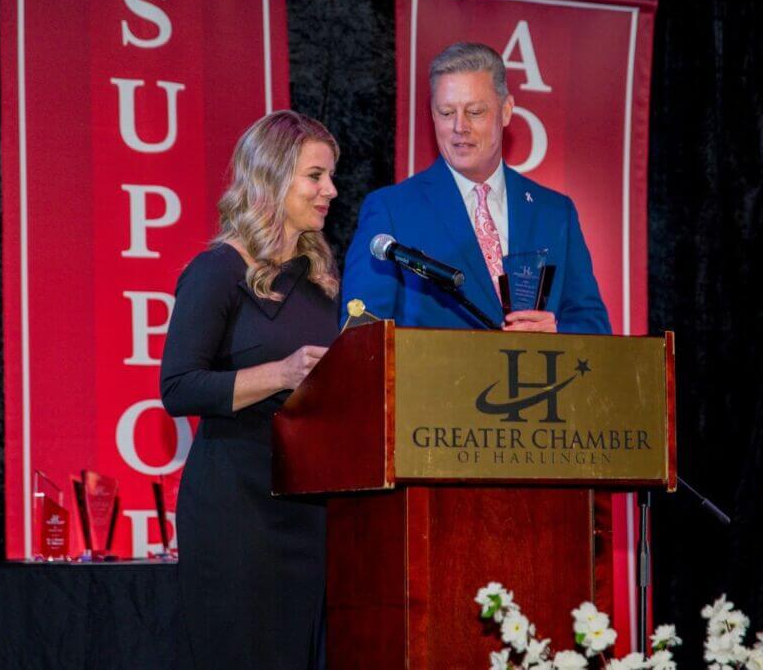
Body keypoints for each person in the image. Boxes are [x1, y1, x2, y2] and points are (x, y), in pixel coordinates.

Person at [160, 110, 340, 669]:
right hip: (237, 512)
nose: (329, 191)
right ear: (272, 176)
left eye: (330, 177)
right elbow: (178, 387)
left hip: (308, 511)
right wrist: (282, 374)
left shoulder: (317, 279)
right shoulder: (217, 270)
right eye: (315, 176)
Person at [342, 42, 611, 334]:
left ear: (506, 111)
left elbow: (593, 325)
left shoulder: (556, 212)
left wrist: (557, 332)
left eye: (475, 112)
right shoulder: (391, 210)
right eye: (446, 112)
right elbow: (361, 336)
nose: (460, 127)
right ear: (432, 114)